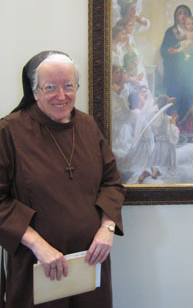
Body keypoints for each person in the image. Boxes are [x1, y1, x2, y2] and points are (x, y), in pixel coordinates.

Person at [0, 51, 125, 308]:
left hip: (90, 264)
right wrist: (38, 246)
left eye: (68, 85)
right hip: (36, 266)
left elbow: (111, 183)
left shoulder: (89, 127)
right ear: (34, 91)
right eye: (50, 87)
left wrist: (107, 228)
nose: (61, 95)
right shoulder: (8, 132)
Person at [160, 5, 193, 124]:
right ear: (176, 16)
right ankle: (172, 126)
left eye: (185, 13)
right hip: (175, 73)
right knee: (174, 97)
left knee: (190, 97)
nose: (182, 16)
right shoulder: (171, 32)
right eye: (180, 13)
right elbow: (164, 50)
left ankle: (190, 128)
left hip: (190, 71)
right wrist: (175, 51)